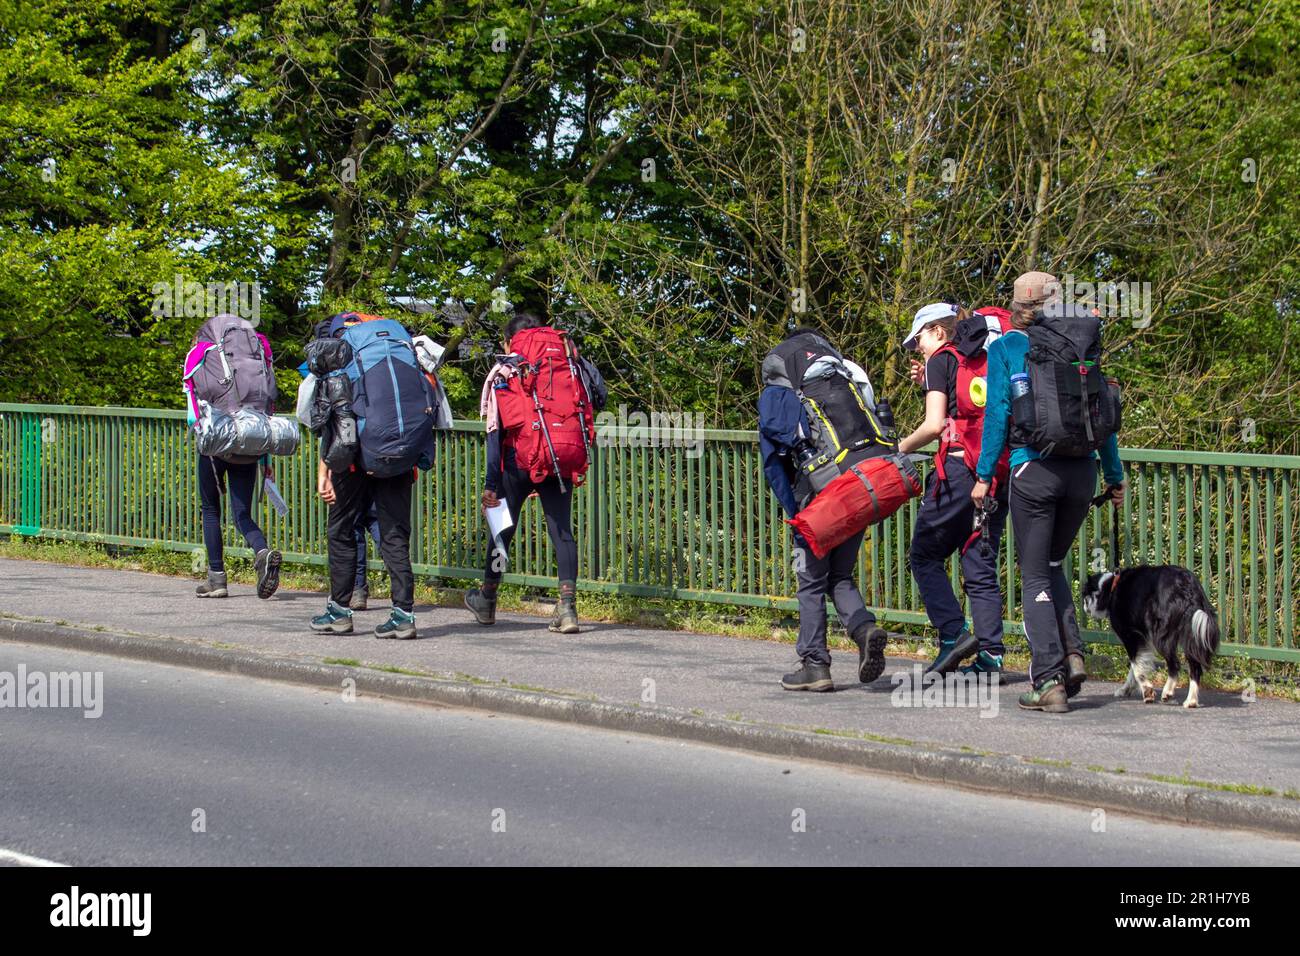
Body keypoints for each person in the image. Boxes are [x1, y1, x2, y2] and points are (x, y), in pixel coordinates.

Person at [973, 272, 1126, 713]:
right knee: (1052, 563)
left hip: (1033, 471)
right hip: (1082, 473)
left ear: (1017, 307)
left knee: (1035, 575)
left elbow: (998, 415)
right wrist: (1114, 475)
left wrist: (984, 475)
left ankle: (1047, 680)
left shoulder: (1006, 348)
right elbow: (1101, 415)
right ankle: (1072, 653)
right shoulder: (1083, 343)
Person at [759, 326, 891, 692]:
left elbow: (773, 461)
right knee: (840, 575)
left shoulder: (780, 391)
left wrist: (793, 509)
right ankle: (864, 630)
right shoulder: (847, 377)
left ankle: (815, 664)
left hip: (817, 495)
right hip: (860, 483)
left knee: (811, 581)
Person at [464, 312, 601, 634]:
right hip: (558, 456)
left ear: (508, 341)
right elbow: (599, 396)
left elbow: (495, 432)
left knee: (502, 529)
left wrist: (491, 484)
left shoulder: (505, 369)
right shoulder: (568, 363)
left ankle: (488, 598)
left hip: (518, 461)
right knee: (561, 531)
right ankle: (567, 608)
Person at [309, 312, 439, 639]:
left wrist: (325, 469)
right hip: (400, 454)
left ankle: (339, 612)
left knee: (342, 529)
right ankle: (404, 615)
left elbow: (331, 421)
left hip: (355, 460)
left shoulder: (341, 357)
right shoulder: (402, 352)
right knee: (394, 533)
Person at [898, 303, 1009, 678]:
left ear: (938, 332)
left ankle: (953, 634)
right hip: (995, 471)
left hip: (959, 472)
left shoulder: (941, 360)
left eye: (919, 339)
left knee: (923, 555)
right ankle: (991, 656)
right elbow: (969, 408)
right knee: (978, 561)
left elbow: (934, 426)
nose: (918, 348)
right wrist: (927, 382)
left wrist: (899, 448)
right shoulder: (985, 354)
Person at [183, 314, 282, 600]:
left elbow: (192, 411)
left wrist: (201, 431)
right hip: (251, 441)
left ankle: (217, 579)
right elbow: (268, 405)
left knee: (211, 510)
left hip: (216, 444)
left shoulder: (200, 352)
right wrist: (265, 459)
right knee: (241, 514)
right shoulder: (258, 350)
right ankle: (262, 552)